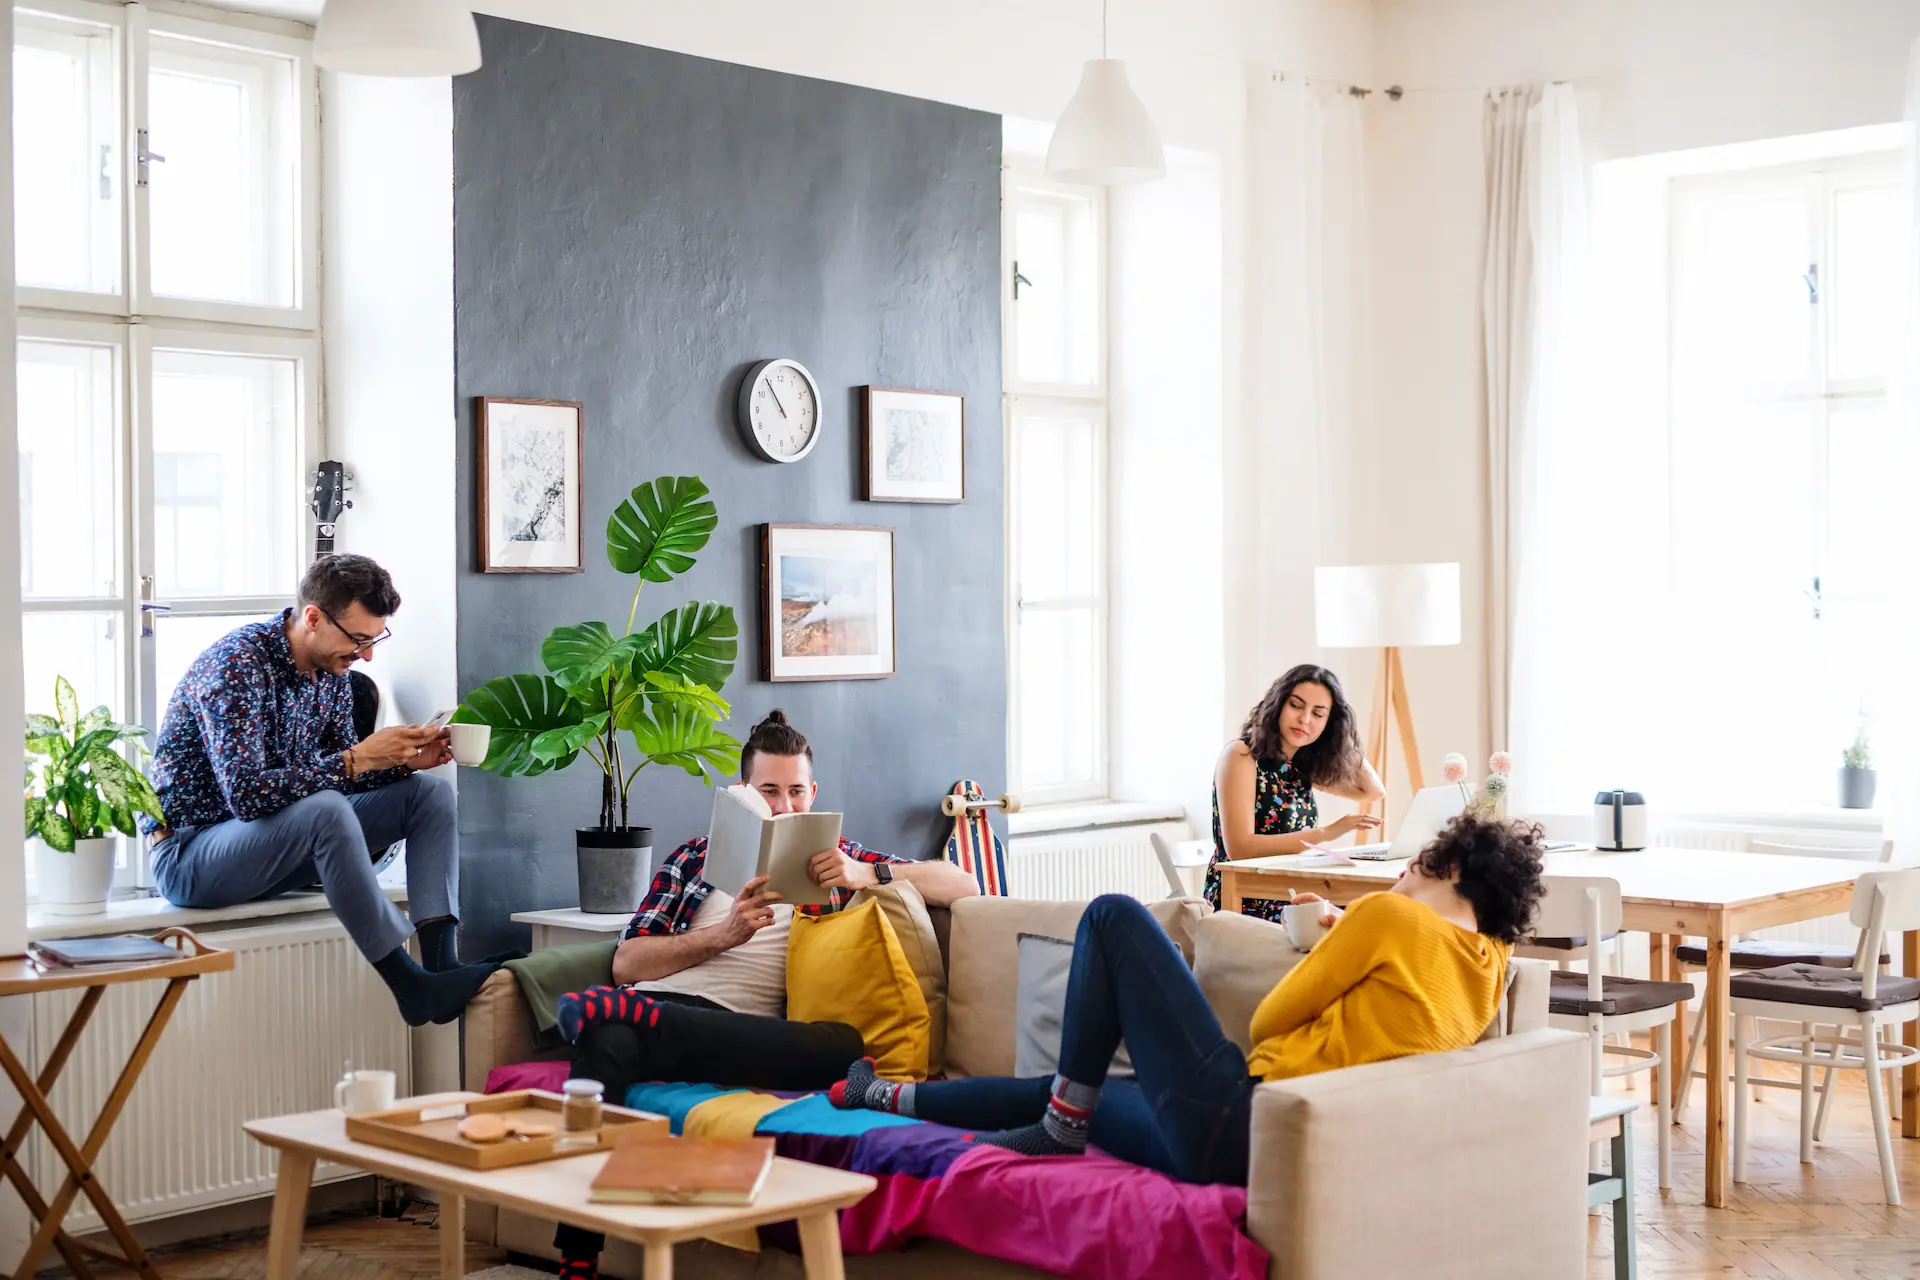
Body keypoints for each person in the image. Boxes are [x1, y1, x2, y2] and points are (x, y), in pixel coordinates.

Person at [833, 815, 1546, 1186]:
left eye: (1414, 867)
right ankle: (884, 1096)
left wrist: (1349, 926)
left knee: (1113, 917)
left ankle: (1055, 1123)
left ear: (1447, 866)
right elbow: (1390, 1015)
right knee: (1071, 1096)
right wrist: (1346, 932)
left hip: (1242, 1117)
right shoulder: (1490, 968)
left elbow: (1270, 1020)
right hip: (1266, 1154)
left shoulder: (1389, 919)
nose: (1399, 877)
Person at [550, 710, 980, 1279]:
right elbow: (628, 961)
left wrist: (862, 875)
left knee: (843, 1049)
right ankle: (579, 1259)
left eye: (796, 792)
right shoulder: (696, 859)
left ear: (814, 793)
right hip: (663, 1005)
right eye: (769, 793)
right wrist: (723, 935)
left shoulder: (842, 862)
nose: (784, 809)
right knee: (604, 1046)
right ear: (743, 793)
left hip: (744, 1035)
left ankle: (623, 1015)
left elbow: (963, 884)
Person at [145, 555, 513, 1027]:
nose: (367, 655)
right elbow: (247, 796)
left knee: (428, 795)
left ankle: (441, 964)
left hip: (275, 849)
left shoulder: (332, 676)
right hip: (192, 854)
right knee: (324, 809)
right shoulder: (236, 667)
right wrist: (359, 758)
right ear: (314, 618)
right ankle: (409, 985)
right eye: (359, 639)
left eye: (375, 640)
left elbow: (342, 775)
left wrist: (398, 762)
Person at [1208, 665, 1386, 920]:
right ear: (1278, 705)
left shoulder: (1301, 767)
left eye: (1318, 713)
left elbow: (1372, 790)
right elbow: (1240, 848)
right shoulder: (1242, 755)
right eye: (1296, 705)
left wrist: (1340, 735)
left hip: (1291, 893)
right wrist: (1325, 833)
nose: (1305, 719)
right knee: (1359, 925)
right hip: (1244, 899)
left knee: (1373, 914)